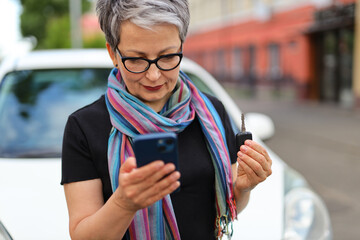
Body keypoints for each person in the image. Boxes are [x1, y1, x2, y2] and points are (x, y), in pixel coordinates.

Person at [61, 0, 272, 239]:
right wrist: (124, 203)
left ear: (182, 45)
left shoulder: (211, 113)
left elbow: (224, 209)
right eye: (137, 60)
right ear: (114, 54)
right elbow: (82, 235)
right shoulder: (84, 127)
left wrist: (243, 189)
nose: (153, 75)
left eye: (167, 56)